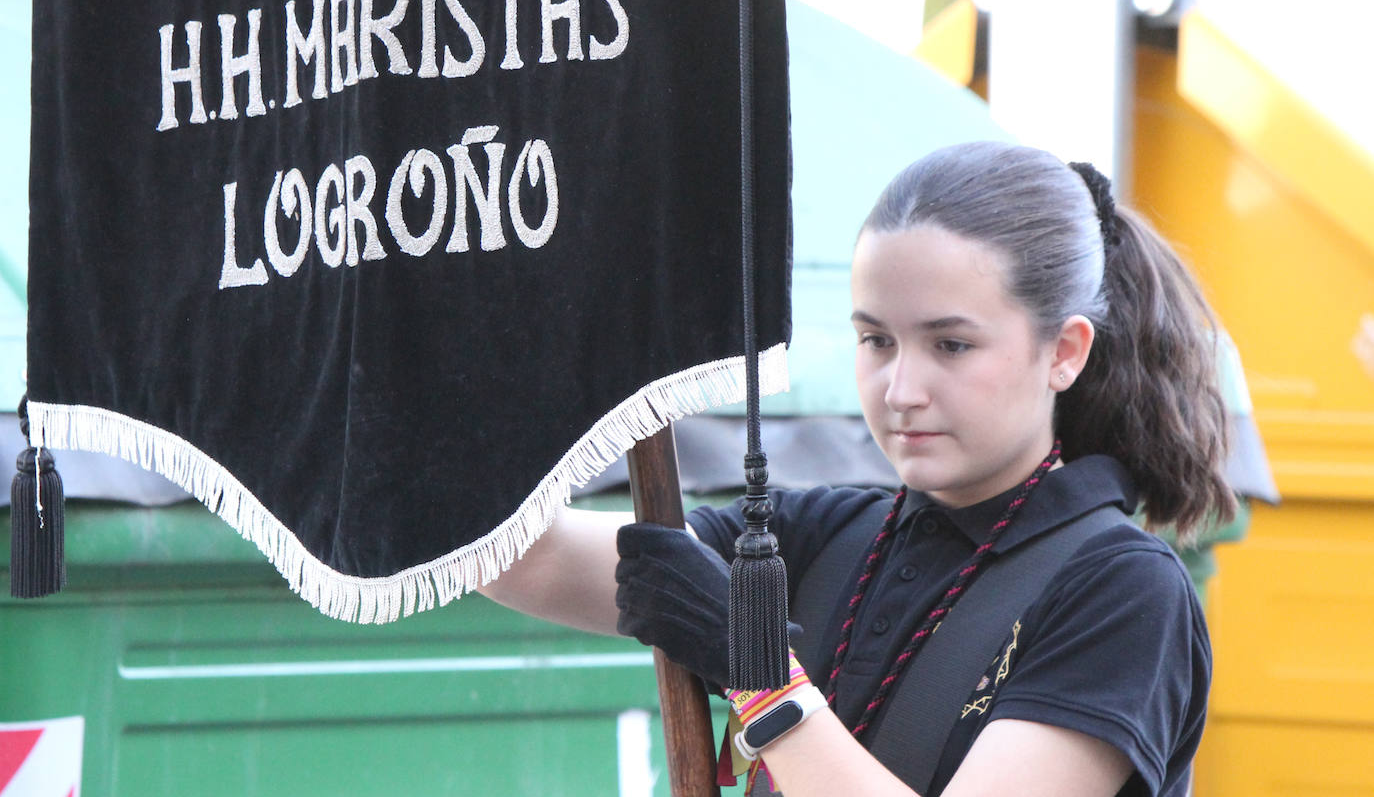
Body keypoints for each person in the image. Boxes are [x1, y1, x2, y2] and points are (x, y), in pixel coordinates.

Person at [480, 141, 1235, 796]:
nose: (901, 390)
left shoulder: (1124, 592)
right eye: (876, 340)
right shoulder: (819, 536)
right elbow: (528, 556)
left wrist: (760, 674)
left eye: (951, 345)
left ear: (1064, 351)